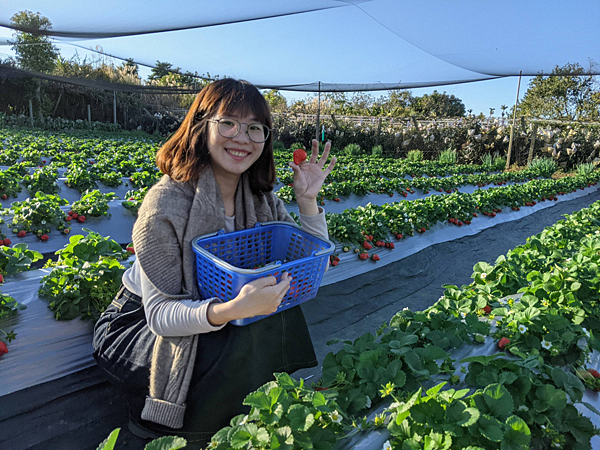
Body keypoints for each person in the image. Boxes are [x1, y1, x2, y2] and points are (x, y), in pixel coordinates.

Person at [92, 78, 336, 447]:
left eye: (255, 128)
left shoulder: (260, 198)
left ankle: (246, 416)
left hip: (197, 309)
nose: (243, 137)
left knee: (275, 305)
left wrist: (307, 202)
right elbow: (160, 317)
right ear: (202, 125)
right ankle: (176, 430)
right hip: (137, 324)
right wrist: (230, 309)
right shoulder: (167, 202)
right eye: (228, 123)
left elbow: (309, 262)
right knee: (236, 329)